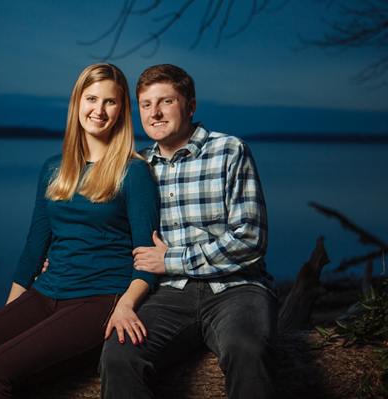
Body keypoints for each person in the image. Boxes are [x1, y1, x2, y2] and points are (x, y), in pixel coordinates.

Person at [0, 63, 160, 399]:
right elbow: (34, 247)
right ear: (77, 103)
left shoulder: (134, 172)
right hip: (46, 293)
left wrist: (127, 304)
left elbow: (147, 257)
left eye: (110, 102)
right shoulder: (54, 169)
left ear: (121, 111)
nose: (98, 110)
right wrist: (9, 314)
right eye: (91, 99)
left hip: (99, 300)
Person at [99, 64, 280, 399]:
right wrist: (64, 255)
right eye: (145, 105)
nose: (154, 113)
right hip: (168, 296)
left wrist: (172, 261)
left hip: (237, 288)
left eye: (166, 101)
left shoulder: (229, 151)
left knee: (247, 348)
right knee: (119, 355)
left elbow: (250, 239)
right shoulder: (137, 168)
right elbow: (117, 237)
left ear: (191, 105)